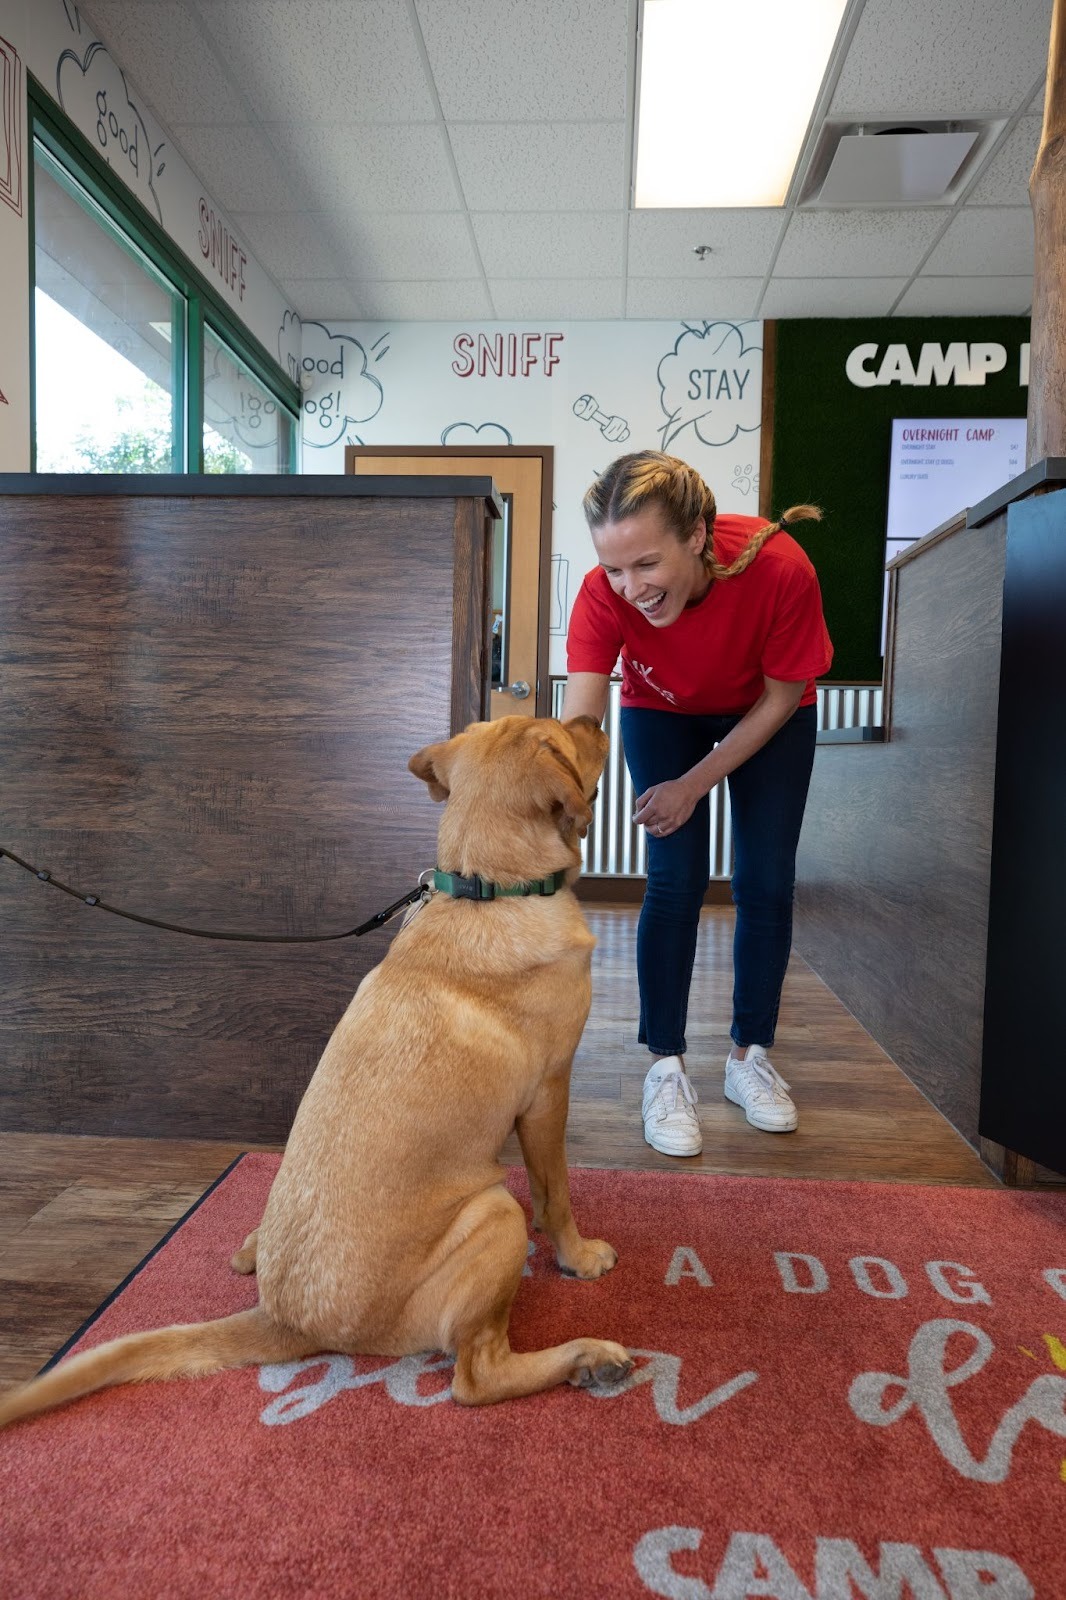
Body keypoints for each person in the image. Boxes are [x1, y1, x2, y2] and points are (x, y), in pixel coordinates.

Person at [561, 450, 833, 1157]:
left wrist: (695, 783)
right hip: (663, 711)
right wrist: (555, 808)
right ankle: (665, 1066)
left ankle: (749, 1059)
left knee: (764, 882)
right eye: (614, 568)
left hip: (770, 713)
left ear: (698, 535)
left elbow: (781, 698)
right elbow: (579, 727)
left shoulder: (781, 570)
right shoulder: (602, 594)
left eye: (647, 564)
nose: (630, 587)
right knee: (676, 878)